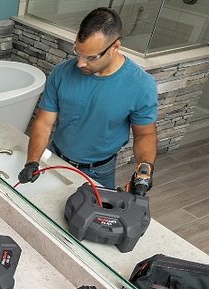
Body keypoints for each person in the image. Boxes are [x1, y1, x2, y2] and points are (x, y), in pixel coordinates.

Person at [18, 7, 158, 191]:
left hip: (99, 171)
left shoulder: (141, 85)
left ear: (115, 47)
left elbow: (144, 134)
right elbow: (44, 122)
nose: (80, 63)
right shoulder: (61, 73)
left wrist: (144, 169)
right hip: (55, 159)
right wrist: (32, 161)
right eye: (78, 52)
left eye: (91, 57)